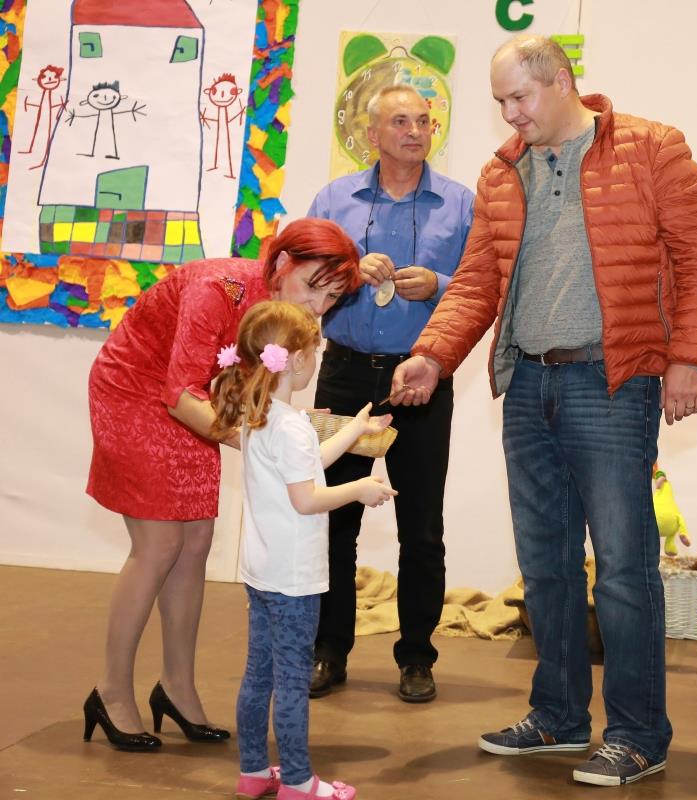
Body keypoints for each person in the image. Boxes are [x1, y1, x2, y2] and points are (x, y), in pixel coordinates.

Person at [392, 35, 697, 787]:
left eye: (520, 97)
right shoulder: (502, 171)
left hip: (613, 383)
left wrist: (688, 358)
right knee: (545, 566)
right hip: (527, 385)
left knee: (623, 570)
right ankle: (559, 715)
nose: (509, 114)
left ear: (563, 81)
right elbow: (477, 282)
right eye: (500, 102)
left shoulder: (653, 148)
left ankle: (638, 734)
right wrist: (433, 354)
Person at [82, 218, 361, 751]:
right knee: (158, 544)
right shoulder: (220, 289)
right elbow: (178, 392)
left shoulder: (280, 309)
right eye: (312, 288)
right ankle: (111, 690)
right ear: (282, 263)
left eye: (332, 298)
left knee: (195, 543)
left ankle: (176, 688)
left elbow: (246, 391)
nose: (317, 308)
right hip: (135, 393)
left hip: (195, 404)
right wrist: (267, 442)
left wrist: (292, 425)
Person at [306, 84, 473, 703]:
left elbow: (484, 288)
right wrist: (349, 274)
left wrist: (440, 284)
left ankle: (417, 658)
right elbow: (301, 280)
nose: (414, 131)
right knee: (333, 520)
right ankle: (328, 651)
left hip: (422, 377)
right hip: (345, 374)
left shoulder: (460, 204)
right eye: (400, 121)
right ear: (372, 134)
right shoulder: (333, 200)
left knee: (421, 526)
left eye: (424, 121)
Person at [211, 300, 396, 800]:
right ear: (295, 359)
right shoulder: (290, 424)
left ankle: (254, 772)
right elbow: (307, 498)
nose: (316, 359)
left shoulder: (261, 415)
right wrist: (360, 489)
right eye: (314, 350)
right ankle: (297, 781)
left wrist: (356, 429)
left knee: (259, 675)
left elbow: (307, 464)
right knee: (292, 680)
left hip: (262, 571)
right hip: (293, 580)